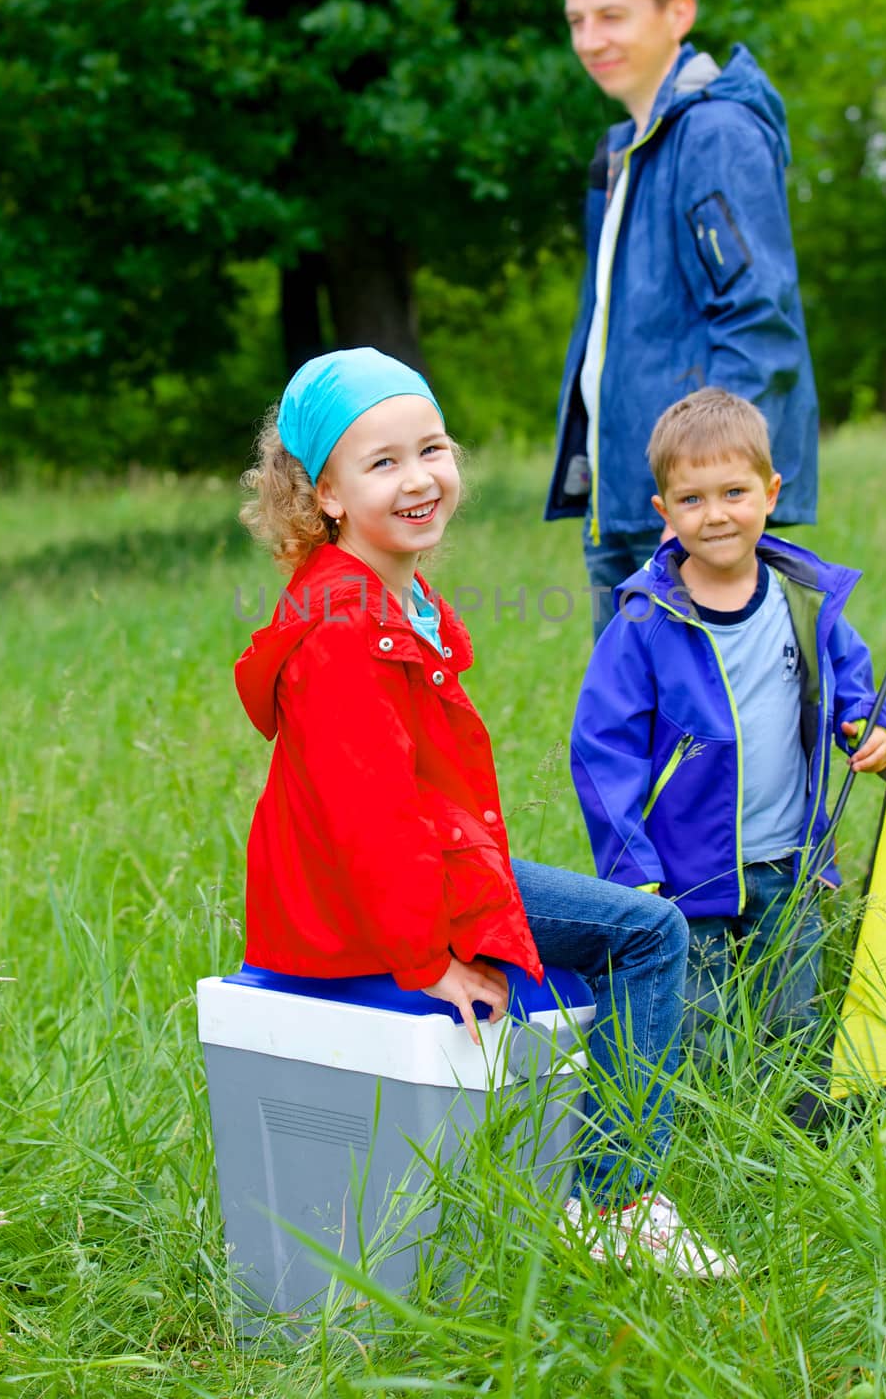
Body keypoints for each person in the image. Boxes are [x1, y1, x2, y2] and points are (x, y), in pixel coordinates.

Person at [234, 346, 728, 1274]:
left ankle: (575, 1182)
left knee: (599, 935)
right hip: (361, 904)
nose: (420, 479)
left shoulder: (393, 595)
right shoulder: (345, 631)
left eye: (433, 448)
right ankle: (616, 1201)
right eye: (382, 464)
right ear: (326, 496)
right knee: (652, 935)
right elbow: (366, 823)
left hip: (417, 868)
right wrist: (428, 960)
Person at [570, 388, 886, 1057]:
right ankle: (699, 1134)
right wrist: (634, 868)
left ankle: (788, 1131)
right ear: (663, 511)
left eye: (734, 493)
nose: (716, 516)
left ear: (771, 493)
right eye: (692, 500)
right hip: (688, 872)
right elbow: (603, 749)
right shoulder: (645, 618)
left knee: (792, 1025)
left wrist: (870, 722)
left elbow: (851, 672)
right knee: (699, 1032)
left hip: (789, 858)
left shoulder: (804, 597)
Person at [543, 0, 820, 639]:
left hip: (696, 515)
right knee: (634, 731)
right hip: (631, 500)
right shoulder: (623, 151)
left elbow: (757, 324)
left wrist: (703, 500)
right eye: (577, 20)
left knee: (718, 732)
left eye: (612, 16)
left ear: (678, 12)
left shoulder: (716, 134)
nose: (590, 39)